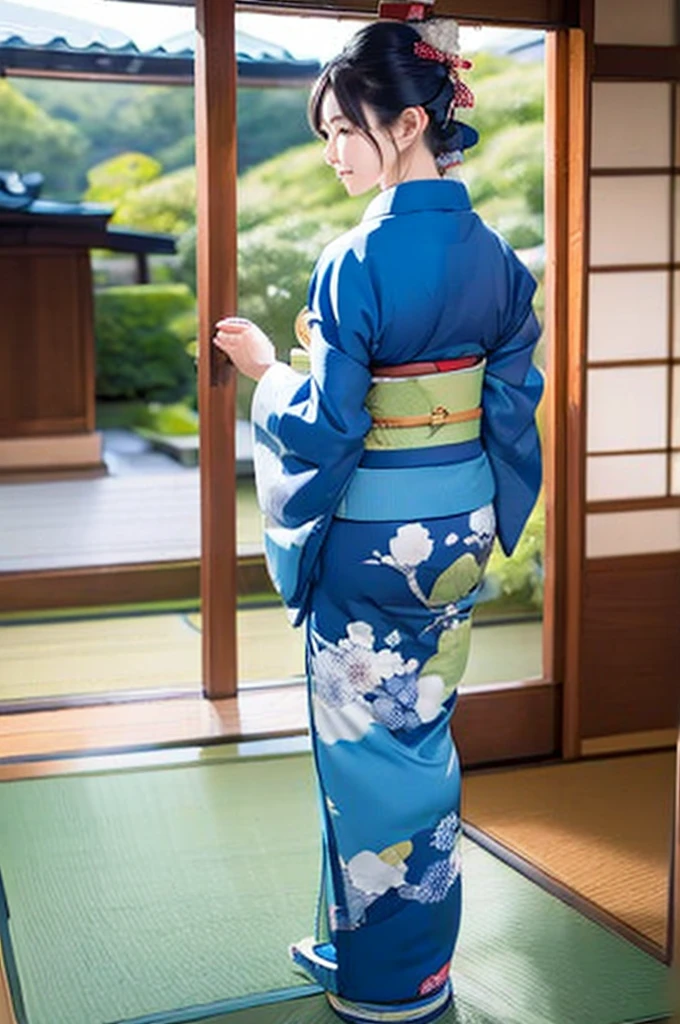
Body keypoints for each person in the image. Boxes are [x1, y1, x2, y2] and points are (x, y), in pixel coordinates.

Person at [213, 15, 543, 1024]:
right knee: (419, 740)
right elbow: (507, 407)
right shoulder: (497, 259)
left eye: (342, 131)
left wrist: (269, 373)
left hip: (367, 542)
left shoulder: (353, 260)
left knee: (360, 747)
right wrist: (484, 514)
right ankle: (403, 955)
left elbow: (329, 423)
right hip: (454, 537)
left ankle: (384, 981)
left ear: (405, 124)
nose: (332, 152)